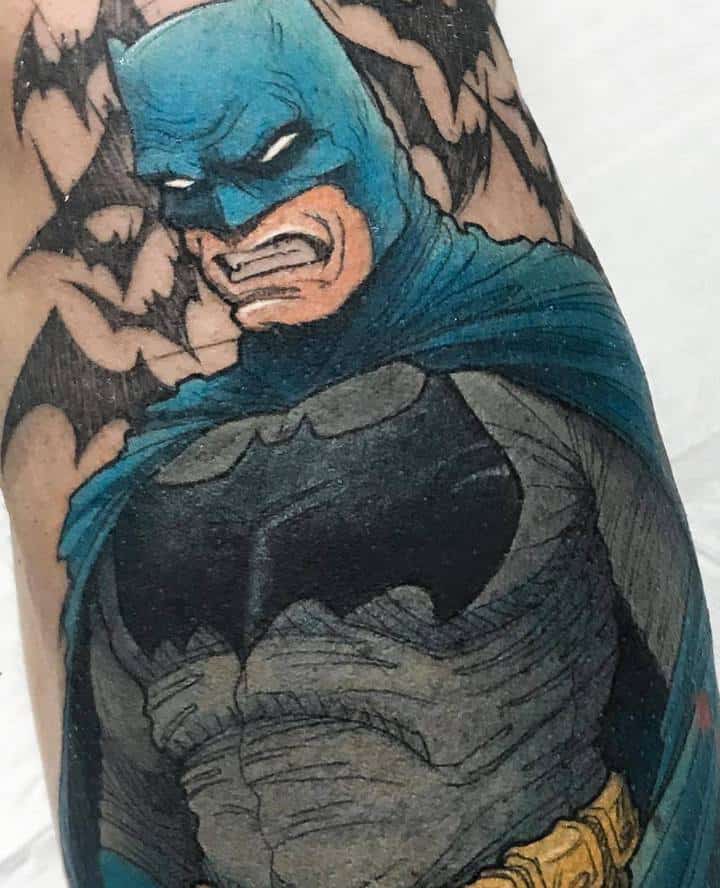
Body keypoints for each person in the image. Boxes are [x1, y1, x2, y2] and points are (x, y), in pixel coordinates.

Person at [1, 1, 717, 886]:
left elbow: (677, 720)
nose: (233, 220)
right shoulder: (148, 483)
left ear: (357, 128)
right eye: (183, 189)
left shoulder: (525, 363)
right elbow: (128, 817)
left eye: (271, 158)